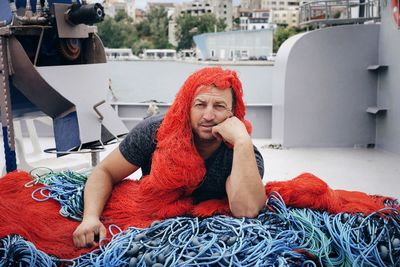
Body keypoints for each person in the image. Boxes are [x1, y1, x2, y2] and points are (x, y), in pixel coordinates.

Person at [73, 67, 266, 249]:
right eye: (200, 104)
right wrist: (90, 217)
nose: (208, 115)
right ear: (187, 108)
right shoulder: (154, 132)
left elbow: (246, 210)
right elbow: (105, 171)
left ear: (233, 114)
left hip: (206, 238)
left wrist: (242, 141)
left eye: (219, 106)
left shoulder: (242, 153)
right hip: (149, 224)